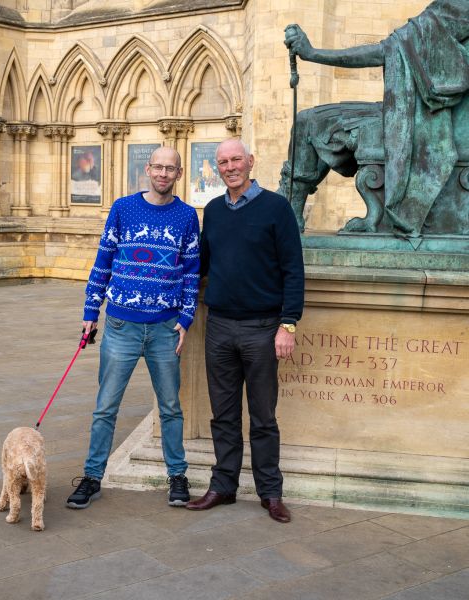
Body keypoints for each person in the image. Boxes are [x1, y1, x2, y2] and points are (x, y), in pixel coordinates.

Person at [66, 147, 200, 509]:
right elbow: (103, 261)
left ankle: (177, 475)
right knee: (106, 407)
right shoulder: (123, 208)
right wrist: (91, 311)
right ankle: (93, 477)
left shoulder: (187, 216)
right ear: (147, 169)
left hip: (164, 328)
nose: (162, 173)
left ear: (179, 173)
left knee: (170, 407)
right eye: (157, 167)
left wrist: (185, 319)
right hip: (122, 326)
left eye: (169, 168)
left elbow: (191, 273)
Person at [186, 139, 304, 523]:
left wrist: (287, 324)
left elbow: (293, 269)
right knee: (222, 415)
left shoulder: (276, 208)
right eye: (223, 161)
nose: (230, 166)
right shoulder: (215, 210)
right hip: (219, 325)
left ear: (251, 162)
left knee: (263, 417)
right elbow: (201, 262)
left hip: (262, 328)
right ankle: (223, 486)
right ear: (217, 168)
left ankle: (270, 493)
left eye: (236, 159)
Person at [280, 1, 469, 236]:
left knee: (307, 122)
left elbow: (384, 51)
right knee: (309, 120)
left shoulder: (457, 7)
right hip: (424, 113)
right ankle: (288, 215)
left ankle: (289, 214)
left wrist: (313, 53)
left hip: (427, 118)